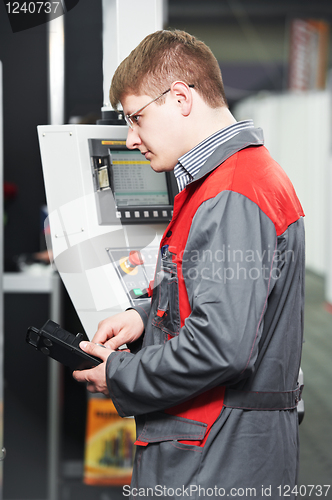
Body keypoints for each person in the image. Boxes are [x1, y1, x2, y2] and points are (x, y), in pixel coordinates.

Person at [73, 29, 305, 499]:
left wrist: (118, 376)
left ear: (180, 97)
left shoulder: (231, 194)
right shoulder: (231, 181)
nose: (132, 139)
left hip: (217, 460)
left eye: (136, 118)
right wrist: (143, 319)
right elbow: (215, 295)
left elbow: (222, 345)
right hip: (220, 451)